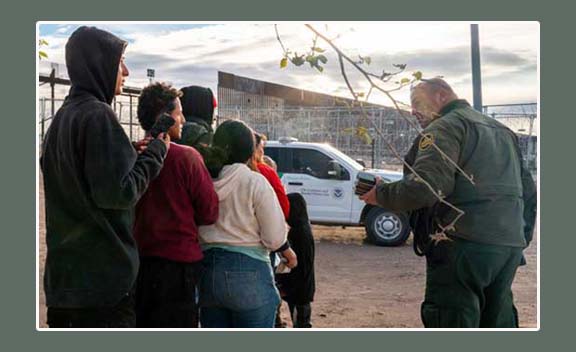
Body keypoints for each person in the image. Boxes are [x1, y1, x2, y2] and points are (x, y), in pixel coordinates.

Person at [359, 78, 537, 328]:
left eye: (417, 102)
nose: (413, 111)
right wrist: (519, 239)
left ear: (441, 96)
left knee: (452, 320)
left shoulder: (444, 128)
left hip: (461, 245)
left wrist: (381, 195)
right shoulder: (502, 131)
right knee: (498, 322)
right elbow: (528, 194)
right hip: (507, 247)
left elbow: (427, 187)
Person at [41, 26, 169, 328]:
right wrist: (156, 153)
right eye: (119, 61)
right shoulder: (98, 115)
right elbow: (118, 193)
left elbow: (83, 180)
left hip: (65, 287)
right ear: (99, 63)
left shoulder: (62, 118)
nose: (125, 71)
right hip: (101, 289)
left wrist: (128, 154)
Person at [132, 82, 219, 328]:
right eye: (178, 113)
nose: (182, 119)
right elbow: (209, 211)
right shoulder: (187, 157)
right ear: (166, 118)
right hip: (178, 267)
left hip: (138, 264)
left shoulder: (130, 153)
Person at [198, 120, 297, 328]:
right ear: (248, 150)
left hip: (207, 273)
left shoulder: (203, 179)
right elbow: (274, 237)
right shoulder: (255, 181)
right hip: (249, 273)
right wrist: (288, 253)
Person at [276, 193, 316, 328]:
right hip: (302, 288)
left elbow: (300, 266)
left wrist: (287, 288)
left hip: (299, 288)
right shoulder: (302, 229)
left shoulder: (299, 233)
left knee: (301, 323)